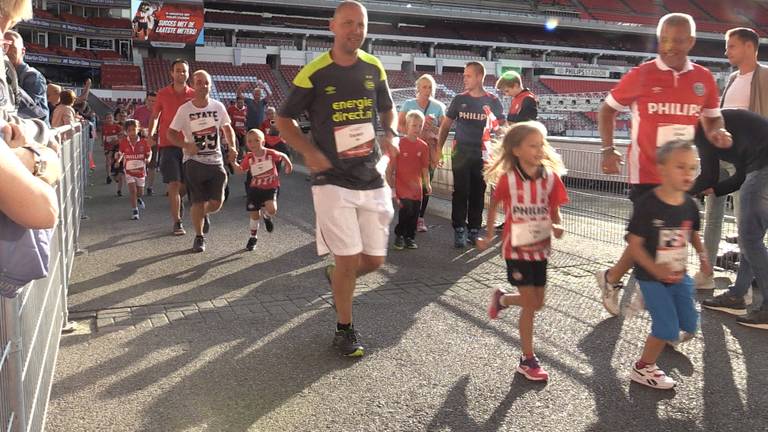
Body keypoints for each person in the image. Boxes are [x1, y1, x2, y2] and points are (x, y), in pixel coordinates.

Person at [276, 0, 398, 357]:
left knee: (373, 260)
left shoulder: (374, 67)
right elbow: (285, 121)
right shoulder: (314, 73)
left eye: (361, 25)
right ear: (332, 26)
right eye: (348, 24)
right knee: (347, 257)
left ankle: (338, 280)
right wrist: (309, 153)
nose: (355, 31)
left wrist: (389, 131)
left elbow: (387, 107)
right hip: (331, 180)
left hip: (372, 175)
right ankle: (344, 329)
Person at [595, 13, 731, 316]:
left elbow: (712, 115)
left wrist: (716, 131)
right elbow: (606, 111)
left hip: (681, 175)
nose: (671, 47)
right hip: (644, 171)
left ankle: (613, 279)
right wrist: (608, 149)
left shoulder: (703, 78)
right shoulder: (641, 75)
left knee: (664, 238)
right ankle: (664, 315)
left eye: (679, 41)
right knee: (658, 240)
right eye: (666, 40)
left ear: (691, 41)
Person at [477, 121, 568, 382]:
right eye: (533, 145)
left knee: (538, 302)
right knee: (530, 303)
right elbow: (494, 202)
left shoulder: (551, 178)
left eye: (542, 144)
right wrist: (490, 233)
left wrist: (558, 225)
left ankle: (503, 300)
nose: (539, 150)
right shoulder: (509, 179)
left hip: (540, 248)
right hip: (515, 249)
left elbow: (554, 210)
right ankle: (528, 360)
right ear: (516, 150)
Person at [625, 140, 709, 389]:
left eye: (693, 168)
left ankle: (664, 328)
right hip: (652, 278)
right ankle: (643, 368)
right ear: (662, 169)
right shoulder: (648, 205)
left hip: (679, 276)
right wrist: (655, 270)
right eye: (680, 167)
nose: (688, 173)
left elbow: (693, 233)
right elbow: (634, 244)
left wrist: (703, 257)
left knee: (690, 324)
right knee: (666, 327)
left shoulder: (690, 204)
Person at [697, 27, 768, 290]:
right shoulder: (732, 78)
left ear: (749, 46)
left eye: (732, 46)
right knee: (712, 215)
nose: (726, 51)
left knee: (745, 221)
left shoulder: (765, 77)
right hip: (725, 156)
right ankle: (705, 273)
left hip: (750, 163)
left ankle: (746, 284)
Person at [692, 109, 768, 329]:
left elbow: (707, 175)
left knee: (750, 240)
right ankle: (737, 295)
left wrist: (676, 192)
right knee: (751, 238)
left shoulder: (701, 127)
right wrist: (715, 189)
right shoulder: (733, 126)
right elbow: (739, 176)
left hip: (764, 170)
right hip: (759, 167)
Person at [168, 70, 237, 253]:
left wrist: (232, 146)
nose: (203, 86)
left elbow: (227, 128)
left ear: (210, 85)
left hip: (215, 160)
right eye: (199, 82)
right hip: (193, 161)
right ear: (193, 84)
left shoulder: (218, 106)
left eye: (206, 83)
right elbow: (171, 133)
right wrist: (186, 145)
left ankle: (204, 214)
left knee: (217, 202)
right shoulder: (185, 110)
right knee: (197, 201)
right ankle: (199, 237)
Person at [437, 61, 505, 248]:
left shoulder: (493, 100)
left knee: (478, 192)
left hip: (483, 155)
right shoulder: (459, 99)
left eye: (468, 75)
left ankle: (474, 229)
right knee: (461, 191)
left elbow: (501, 129)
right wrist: (438, 151)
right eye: (464, 75)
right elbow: (445, 126)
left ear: (479, 77)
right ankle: (459, 229)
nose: (464, 78)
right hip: (460, 152)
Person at [149, 59, 195, 236]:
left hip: (188, 145)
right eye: (177, 70)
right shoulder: (162, 94)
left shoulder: (193, 94)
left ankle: (179, 202)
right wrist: (150, 134)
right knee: (174, 184)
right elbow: (154, 116)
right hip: (168, 144)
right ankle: (177, 222)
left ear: (188, 73)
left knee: (187, 185)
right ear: (171, 73)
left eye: (184, 71)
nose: (181, 74)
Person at [397, 73, 445, 233]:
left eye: (430, 86)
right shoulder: (408, 104)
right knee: (409, 183)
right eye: (424, 86)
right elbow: (399, 126)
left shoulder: (439, 107)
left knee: (425, 184)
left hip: (429, 150)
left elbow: (444, 131)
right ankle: (407, 217)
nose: (427, 89)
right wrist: (414, 130)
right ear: (418, 88)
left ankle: (420, 218)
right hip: (411, 149)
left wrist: (433, 129)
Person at [233, 128, 292, 251]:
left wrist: (289, 165)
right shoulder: (249, 158)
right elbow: (239, 170)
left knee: (272, 209)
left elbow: (283, 155)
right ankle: (253, 237)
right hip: (255, 189)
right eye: (249, 141)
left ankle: (267, 216)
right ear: (247, 143)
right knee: (254, 215)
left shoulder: (270, 153)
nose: (253, 144)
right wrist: (232, 162)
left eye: (256, 140)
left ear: (263, 142)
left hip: (270, 187)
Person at [389, 110, 431, 250]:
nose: (417, 129)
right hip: (402, 185)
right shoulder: (399, 143)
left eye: (420, 126)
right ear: (407, 126)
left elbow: (425, 168)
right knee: (405, 209)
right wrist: (390, 181)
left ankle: (409, 237)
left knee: (414, 212)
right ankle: (399, 235)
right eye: (414, 125)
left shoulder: (423, 146)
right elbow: (391, 165)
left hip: (417, 187)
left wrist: (427, 183)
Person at [4, 30, 48, 123]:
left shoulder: (33, 76)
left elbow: (28, 109)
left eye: (12, 47)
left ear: (23, 51)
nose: (7, 51)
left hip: (35, 132)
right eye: (3, 47)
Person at [115, 119, 151, 220]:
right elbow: (121, 153)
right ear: (126, 131)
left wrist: (148, 159)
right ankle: (135, 210)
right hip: (129, 171)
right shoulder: (124, 142)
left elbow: (149, 152)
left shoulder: (144, 141)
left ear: (138, 129)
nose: (132, 132)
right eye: (129, 130)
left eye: (134, 129)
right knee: (132, 191)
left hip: (140, 171)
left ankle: (139, 198)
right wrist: (118, 161)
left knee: (140, 192)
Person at [132, 92, 158, 195]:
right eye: (150, 100)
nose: (152, 103)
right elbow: (133, 125)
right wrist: (141, 130)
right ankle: (139, 185)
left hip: (154, 141)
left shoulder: (160, 111)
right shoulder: (139, 110)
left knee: (152, 165)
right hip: (140, 140)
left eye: (154, 101)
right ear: (146, 100)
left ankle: (150, 187)